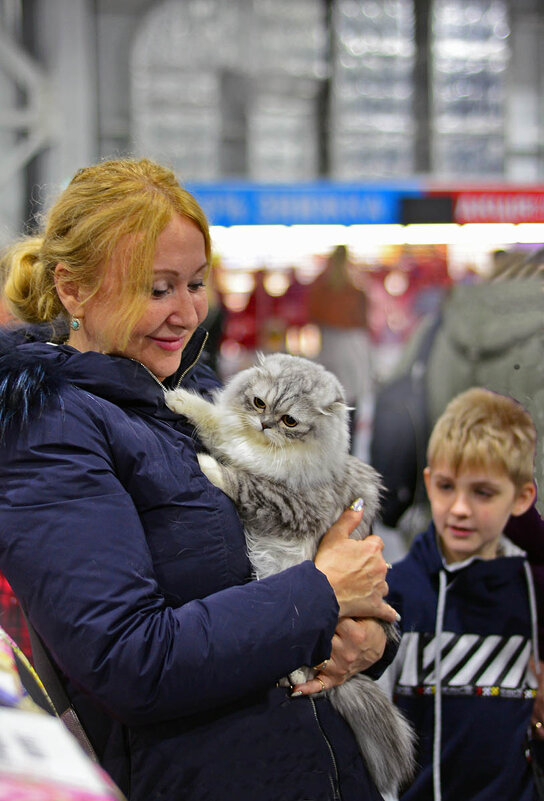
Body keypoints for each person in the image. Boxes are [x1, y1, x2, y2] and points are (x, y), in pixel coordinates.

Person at [0, 157, 399, 801]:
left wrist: (364, 629)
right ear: (73, 290)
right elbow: (130, 661)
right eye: (156, 288)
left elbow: (308, 552)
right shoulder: (52, 430)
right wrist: (319, 596)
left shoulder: (196, 399)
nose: (186, 313)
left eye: (195, 283)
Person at [377, 387, 540, 801]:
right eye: (447, 487)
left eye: (483, 492)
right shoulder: (394, 591)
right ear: (429, 483)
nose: (460, 508)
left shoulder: (534, 597)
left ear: (521, 497)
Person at [307, 244, 374, 455]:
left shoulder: (321, 289)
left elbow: (313, 315)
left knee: (328, 413)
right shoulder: (355, 292)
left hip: (331, 352)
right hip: (353, 351)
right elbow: (363, 322)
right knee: (350, 412)